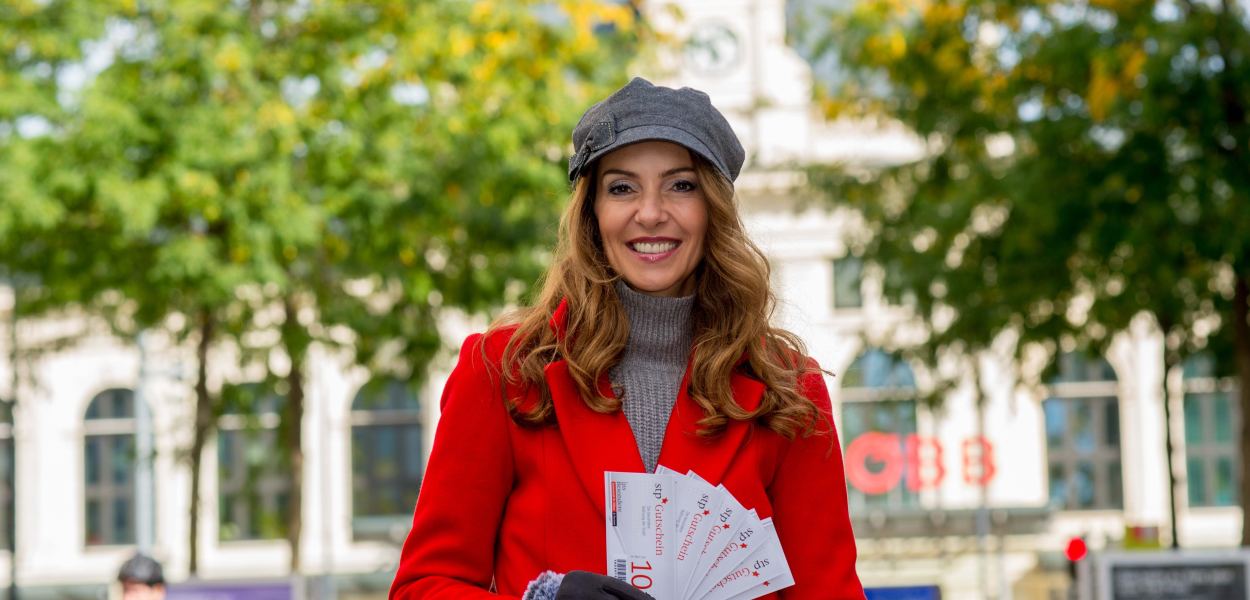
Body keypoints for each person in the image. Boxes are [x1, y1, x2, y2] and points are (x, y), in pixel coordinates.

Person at [389, 77, 864, 599]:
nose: (651, 211)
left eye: (681, 185)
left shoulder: (788, 390)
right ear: (592, 213)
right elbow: (423, 586)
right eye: (622, 187)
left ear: (714, 208)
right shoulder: (502, 370)